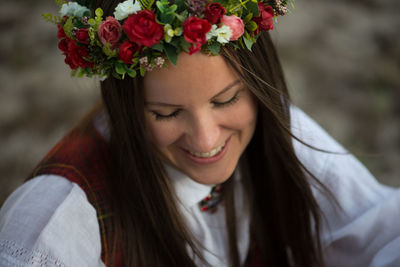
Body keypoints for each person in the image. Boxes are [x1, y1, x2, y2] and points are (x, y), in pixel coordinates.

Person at [0, 0, 399, 266]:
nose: (207, 140)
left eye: (226, 101)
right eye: (167, 113)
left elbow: (380, 228)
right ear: (125, 109)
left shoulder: (275, 127)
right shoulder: (53, 220)